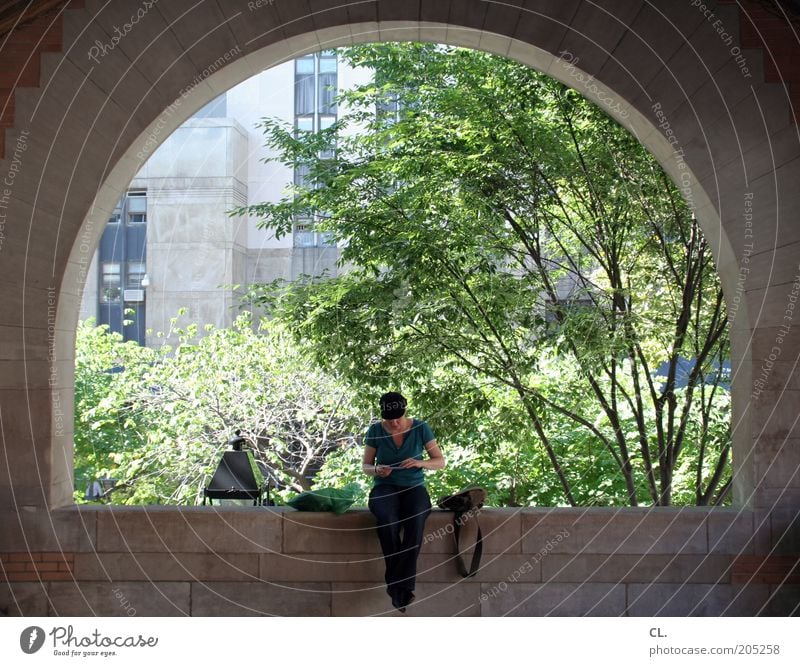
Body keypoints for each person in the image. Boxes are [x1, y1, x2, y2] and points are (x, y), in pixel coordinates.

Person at [362, 391, 446, 613]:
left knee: (417, 519)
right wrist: (377, 470)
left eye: (398, 418)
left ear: (405, 412)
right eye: (390, 420)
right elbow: (366, 466)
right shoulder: (375, 430)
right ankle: (402, 588)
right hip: (385, 487)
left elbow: (439, 462)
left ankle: (397, 586)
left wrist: (420, 463)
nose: (394, 423)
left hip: (414, 487)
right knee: (387, 519)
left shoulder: (420, 428)